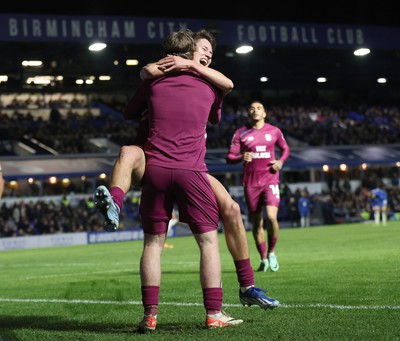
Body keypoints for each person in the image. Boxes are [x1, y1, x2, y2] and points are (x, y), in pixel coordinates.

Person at [94, 28, 279, 316]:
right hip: (158, 162)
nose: (207, 54)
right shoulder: (160, 78)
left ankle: (247, 287)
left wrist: (188, 68)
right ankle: (115, 206)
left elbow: (226, 86)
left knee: (231, 208)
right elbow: (139, 95)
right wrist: (151, 72)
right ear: (187, 51)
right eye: (203, 49)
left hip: (190, 165)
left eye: (211, 53)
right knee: (130, 153)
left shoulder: (204, 82)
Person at [109, 28, 243, 332]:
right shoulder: (211, 87)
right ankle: (213, 314)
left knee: (153, 245)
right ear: (193, 53)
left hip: (155, 168)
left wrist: (150, 74)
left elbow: (130, 112)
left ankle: (150, 316)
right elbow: (218, 111)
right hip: (192, 172)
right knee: (208, 242)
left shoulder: (153, 79)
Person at [226, 101, 290, 273]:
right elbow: (229, 156)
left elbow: (285, 149)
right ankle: (262, 258)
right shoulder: (240, 133)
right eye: (252, 108)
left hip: (270, 180)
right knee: (257, 222)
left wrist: (280, 162)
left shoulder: (274, 131)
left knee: (271, 217)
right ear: (249, 113)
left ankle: (272, 253)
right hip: (251, 183)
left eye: (259, 108)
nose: (255, 110)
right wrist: (240, 156)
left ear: (264, 113)